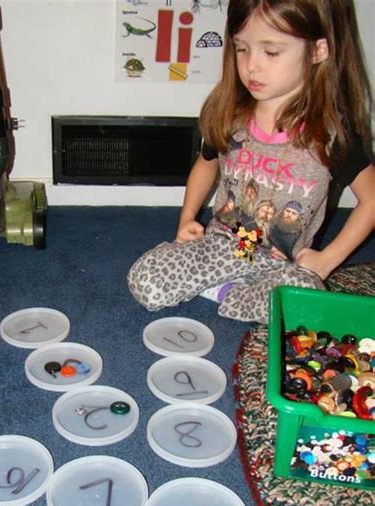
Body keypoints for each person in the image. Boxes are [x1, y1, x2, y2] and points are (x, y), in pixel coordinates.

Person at [127, 0, 374, 323]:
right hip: (219, 247)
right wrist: (186, 219)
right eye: (242, 49)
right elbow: (206, 163)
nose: (251, 67)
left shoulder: (329, 135)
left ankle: (230, 294)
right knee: (144, 279)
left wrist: (327, 259)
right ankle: (228, 290)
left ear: (318, 51)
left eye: (270, 52)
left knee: (304, 296)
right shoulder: (231, 114)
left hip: (279, 263)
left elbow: (371, 200)